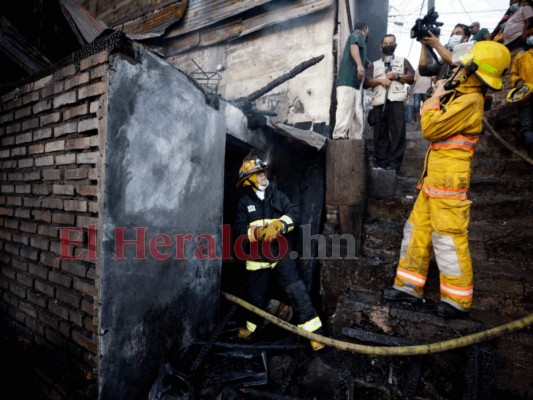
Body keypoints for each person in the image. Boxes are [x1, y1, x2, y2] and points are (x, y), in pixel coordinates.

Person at [383, 41, 511, 318]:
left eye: (461, 67)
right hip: (434, 180)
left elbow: (430, 128)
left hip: (449, 183)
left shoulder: (470, 100)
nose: (455, 71)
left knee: (448, 239)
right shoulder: (459, 96)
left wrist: (433, 97)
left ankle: (456, 300)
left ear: (473, 72)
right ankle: (408, 287)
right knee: (415, 233)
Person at [233, 152, 325, 351]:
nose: (263, 176)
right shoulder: (244, 204)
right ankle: (251, 329)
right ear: (248, 180)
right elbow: (240, 232)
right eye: (258, 174)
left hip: (279, 253)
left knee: (296, 290)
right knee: (255, 298)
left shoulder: (277, 195)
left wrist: (280, 225)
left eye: (263, 172)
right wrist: (258, 233)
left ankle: (315, 335)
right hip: (256, 258)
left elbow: (294, 213)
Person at [365, 34, 414, 170]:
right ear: (381, 46)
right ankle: (382, 163)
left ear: (395, 45)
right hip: (379, 102)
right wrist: (380, 80)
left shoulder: (402, 60)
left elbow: (411, 77)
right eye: (385, 43)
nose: (388, 46)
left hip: (396, 101)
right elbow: (366, 82)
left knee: (398, 133)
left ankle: (393, 165)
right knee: (380, 133)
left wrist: (397, 76)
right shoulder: (374, 65)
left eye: (391, 43)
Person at [332, 22, 369, 140]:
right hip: (347, 81)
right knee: (345, 108)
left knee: (356, 113)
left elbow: (366, 61)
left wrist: (367, 64)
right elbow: (354, 47)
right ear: (365, 28)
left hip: (354, 84)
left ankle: (355, 137)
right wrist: (359, 65)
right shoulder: (357, 34)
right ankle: (339, 134)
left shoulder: (362, 46)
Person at [508, 34, 533, 157]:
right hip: (525, 97)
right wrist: (517, 81)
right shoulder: (520, 55)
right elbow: (513, 73)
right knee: (526, 125)